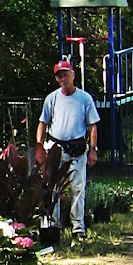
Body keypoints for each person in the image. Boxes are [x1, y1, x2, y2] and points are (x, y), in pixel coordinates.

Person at [34, 58, 99, 242]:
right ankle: (53, 225)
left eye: (66, 74)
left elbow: (92, 125)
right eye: (60, 76)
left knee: (78, 188)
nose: (63, 78)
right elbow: (42, 123)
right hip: (56, 148)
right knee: (53, 189)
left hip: (77, 149)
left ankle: (78, 227)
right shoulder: (52, 98)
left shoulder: (84, 98)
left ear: (73, 75)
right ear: (57, 79)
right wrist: (40, 147)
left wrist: (93, 149)